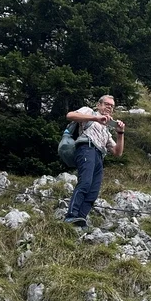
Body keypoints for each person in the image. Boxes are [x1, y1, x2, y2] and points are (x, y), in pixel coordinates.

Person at [64, 95, 126, 227]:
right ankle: (71, 215)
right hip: (86, 148)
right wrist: (95, 118)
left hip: (99, 156)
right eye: (106, 104)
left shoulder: (106, 129)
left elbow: (117, 152)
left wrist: (120, 133)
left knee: (93, 191)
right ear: (99, 105)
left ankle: (80, 219)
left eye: (112, 106)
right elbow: (70, 115)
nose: (109, 107)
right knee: (85, 183)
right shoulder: (89, 111)